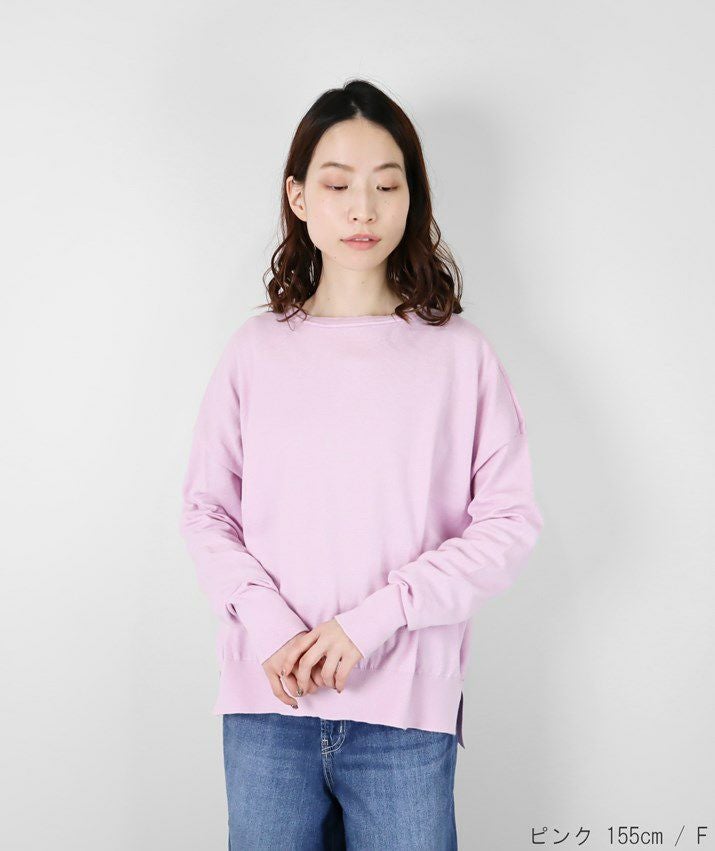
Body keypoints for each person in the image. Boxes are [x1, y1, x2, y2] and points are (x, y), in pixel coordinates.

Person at [179, 78, 544, 850]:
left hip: (404, 718)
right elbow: (206, 510)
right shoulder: (254, 351)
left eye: (386, 184)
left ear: (411, 198)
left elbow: (508, 523)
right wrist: (272, 625)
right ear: (298, 197)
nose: (362, 210)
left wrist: (372, 620)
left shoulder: (459, 356)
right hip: (267, 706)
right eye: (337, 184)